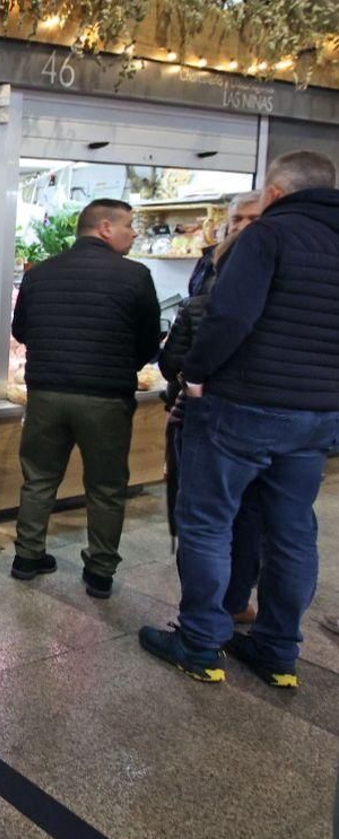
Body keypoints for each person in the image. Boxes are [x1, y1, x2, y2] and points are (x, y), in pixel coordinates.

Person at [141, 150, 339, 688]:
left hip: (243, 406)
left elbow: (229, 315)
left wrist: (197, 373)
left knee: (208, 521)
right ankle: (278, 651)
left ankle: (200, 642)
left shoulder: (267, 237)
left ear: (275, 193)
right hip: (316, 415)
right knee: (293, 530)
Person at [9, 199, 160, 599]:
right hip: (105, 398)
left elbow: (21, 330)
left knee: (39, 478)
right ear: (105, 227)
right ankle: (100, 572)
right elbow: (148, 343)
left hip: (45, 393)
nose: (133, 233)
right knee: (107, 486)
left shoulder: (39, 274)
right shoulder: (136, 276)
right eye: (129, 226)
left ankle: (27, 556)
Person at [158, 190, 262, 626]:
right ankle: (244, 617)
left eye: (251, 218)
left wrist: (190, 382)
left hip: (211, 416)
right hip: (267, 419)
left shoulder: (211, 299)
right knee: (240, 519)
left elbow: (177, 361)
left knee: (207, 520)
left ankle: (204, 627)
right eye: (236, 218)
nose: (240, 226)